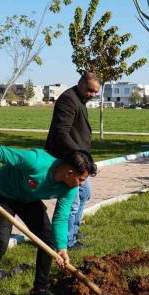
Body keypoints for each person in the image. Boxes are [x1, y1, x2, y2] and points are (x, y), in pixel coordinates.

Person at [0, 146, 97, 295]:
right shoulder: (36, 161)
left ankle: (39, 290)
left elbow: (60, 218)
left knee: (48, 240)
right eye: (81, 179)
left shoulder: (70, 188)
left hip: (28, 199)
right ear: (69, 172)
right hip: (2, 195)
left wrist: (62, 248)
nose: (82, 184)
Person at [45, 72, 101, 250]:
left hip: (78, 159)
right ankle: (66, 241)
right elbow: (62, 132)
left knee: (84, 194)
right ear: (80, 83)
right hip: (68, 159)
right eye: (90, 90)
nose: (91, 94)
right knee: (72, 202)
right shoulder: (68, 99)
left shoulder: (80, 99)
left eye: (95, 92)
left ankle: (73, 231)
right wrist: (79, 157)